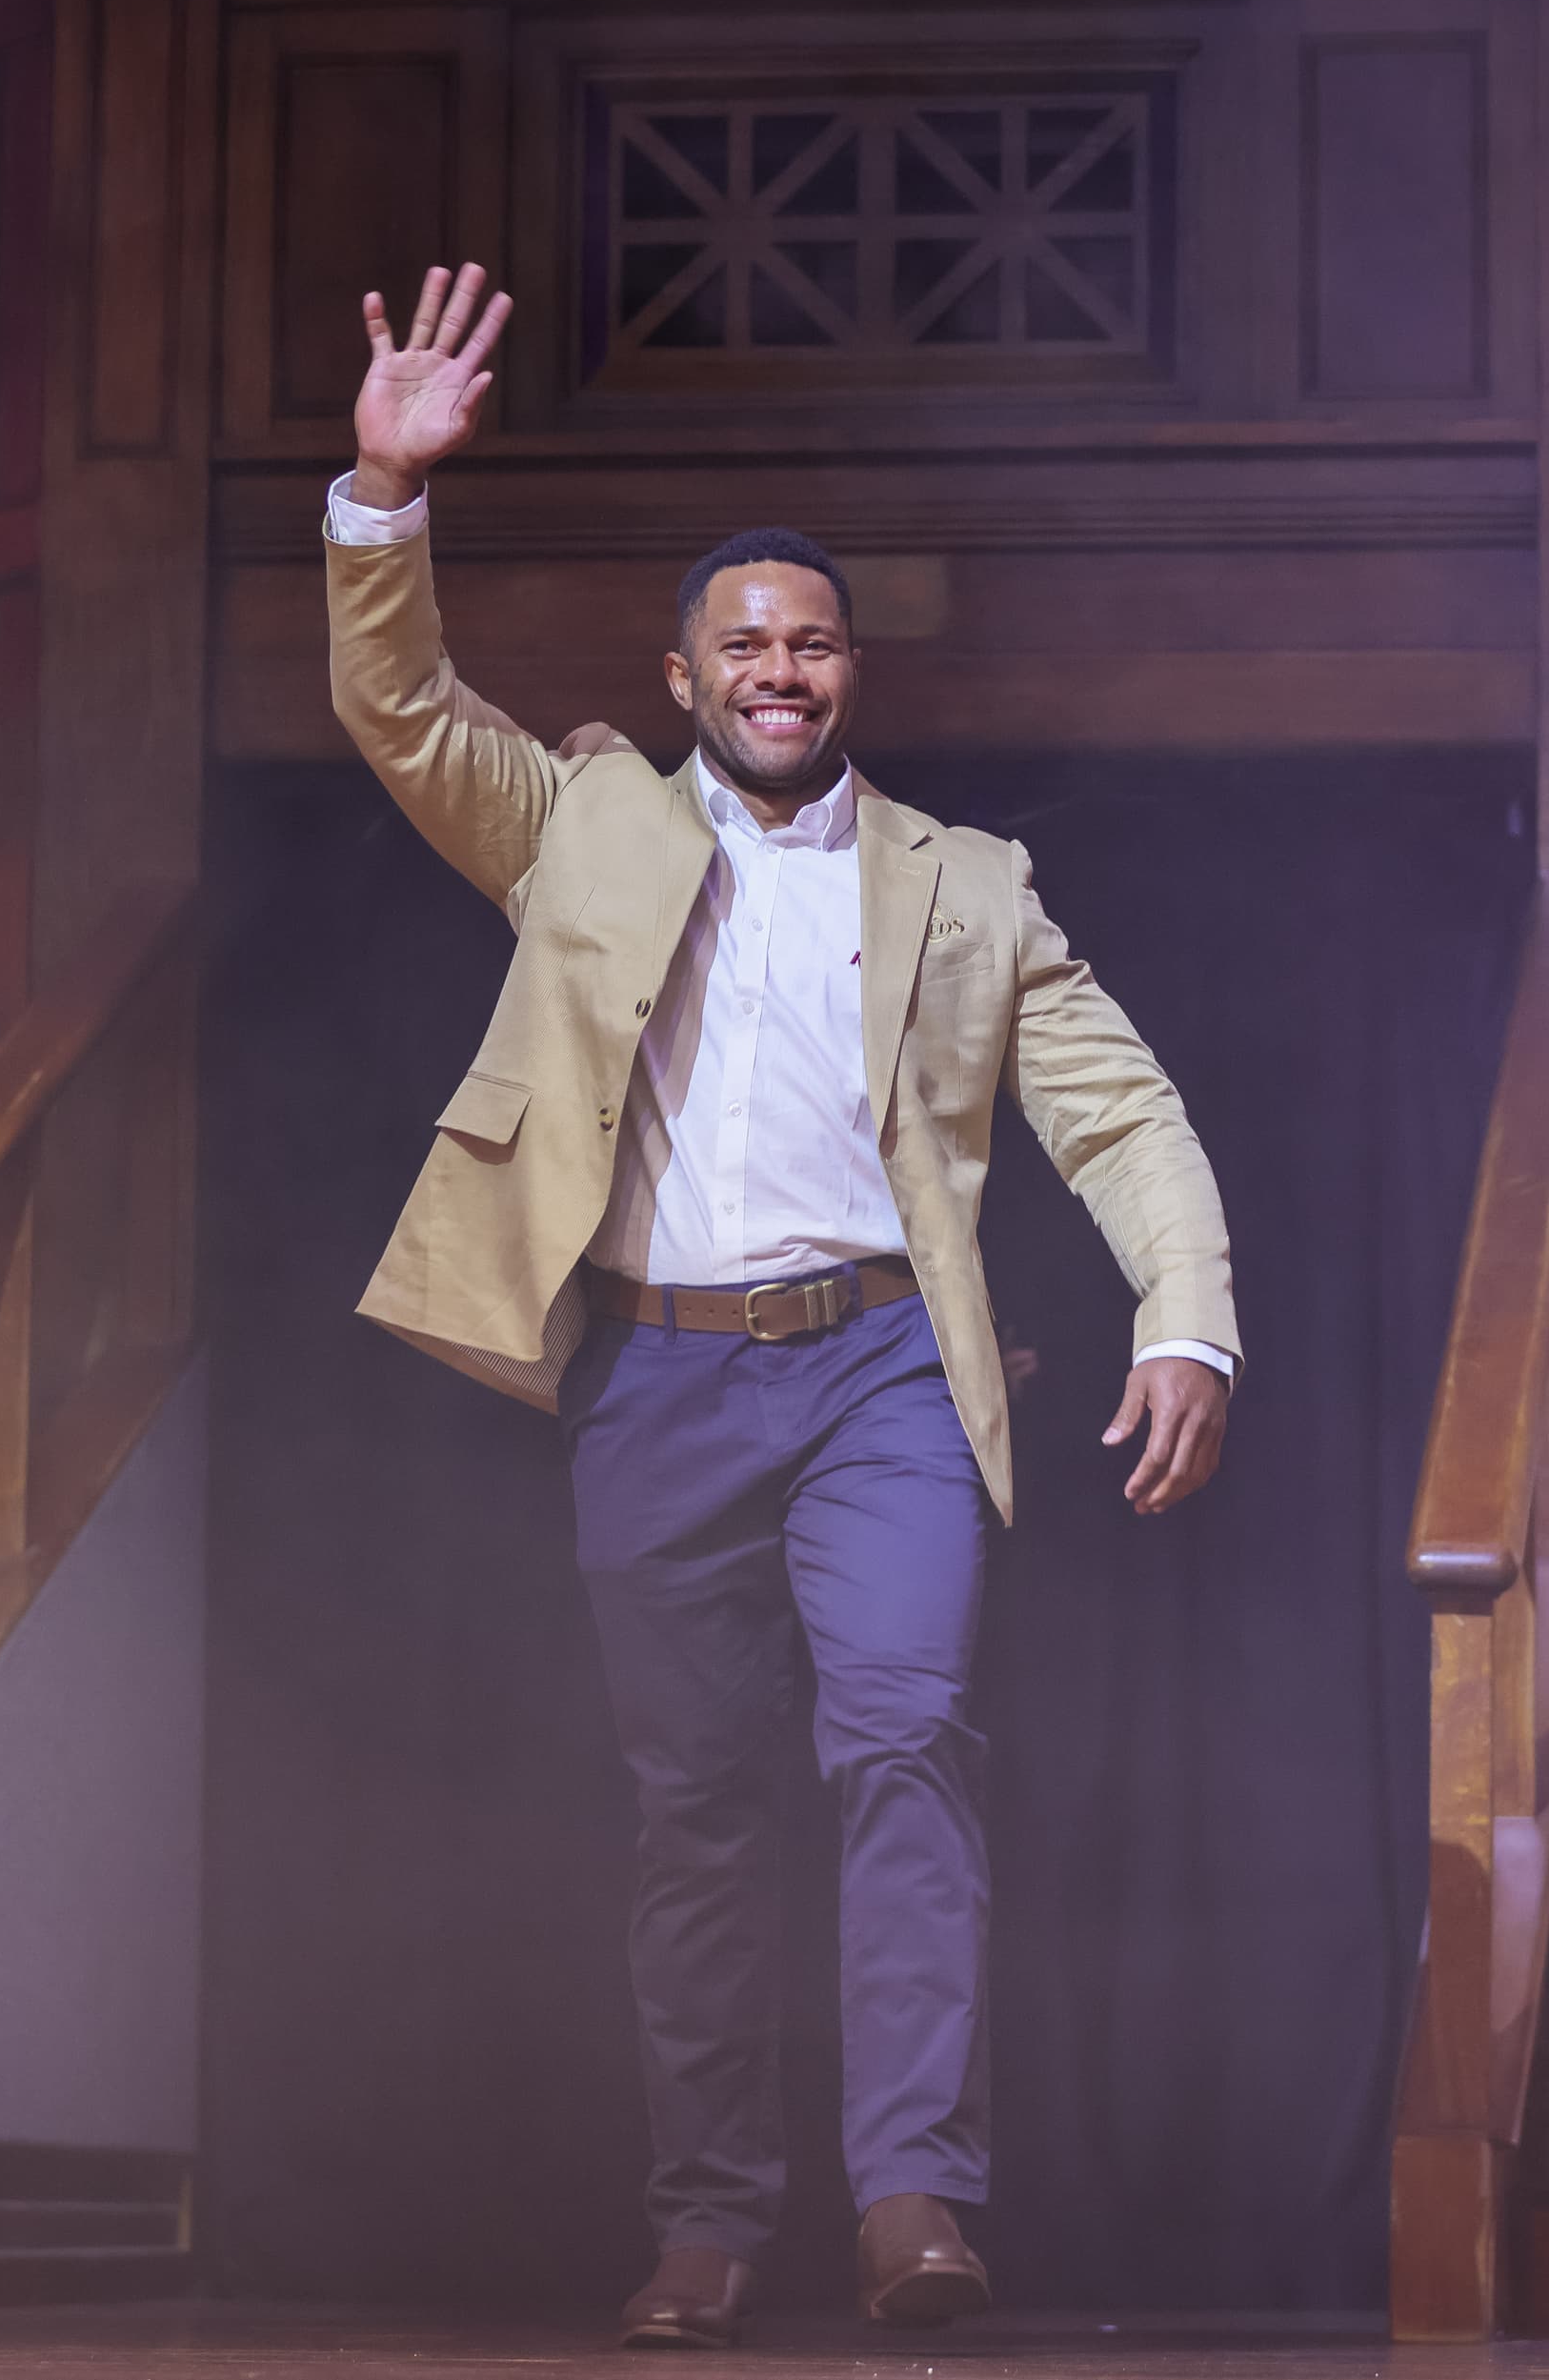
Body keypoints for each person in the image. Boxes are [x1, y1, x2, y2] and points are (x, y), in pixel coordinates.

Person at [327, 268, 1237, 2346]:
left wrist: (1187, 1316)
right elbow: (395, 706)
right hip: (656, 1374)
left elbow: (1124, 1116)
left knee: (906, 1738)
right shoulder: (581, 824)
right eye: (740, 640)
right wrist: (385, 483)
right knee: (698, 1808)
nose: (777, 666)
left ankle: (914, 2193)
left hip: (890, 1375)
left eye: (810, 639)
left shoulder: (965, 880)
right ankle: (713, 2217)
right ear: (680, 672)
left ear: (854, 673)